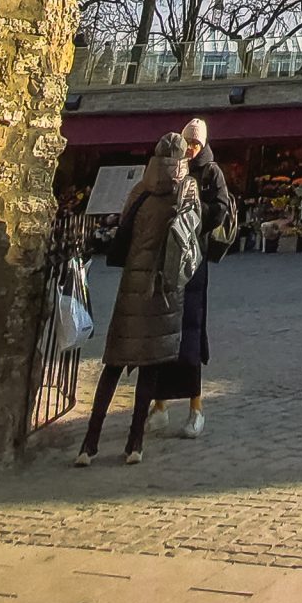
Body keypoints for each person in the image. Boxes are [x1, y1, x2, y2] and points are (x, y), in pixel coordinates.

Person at [75, 133, 200, 467]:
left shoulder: (139, 191)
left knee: (113, 364)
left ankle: (89, 443)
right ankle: (134, 442)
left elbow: (123, 233)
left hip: (132, 284)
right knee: (149, 369)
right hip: (162, 287)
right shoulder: (185, 189)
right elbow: (192, 237)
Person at [150, 117, 235, 440]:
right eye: (189, 143)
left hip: (194, 259)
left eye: (197, 144)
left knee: (190, 331)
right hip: (169, 257)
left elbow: (221, 207)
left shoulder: (211, 171)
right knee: (163, 331)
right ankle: (159, 405)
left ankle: (195, 408)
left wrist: (194, 224)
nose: (192, 149)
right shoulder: (174, 168)